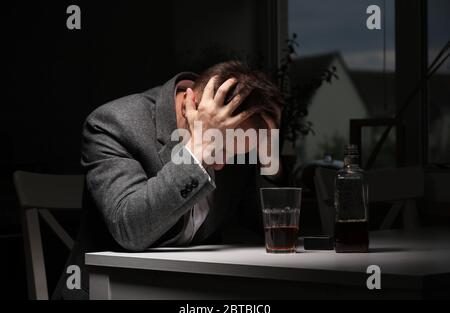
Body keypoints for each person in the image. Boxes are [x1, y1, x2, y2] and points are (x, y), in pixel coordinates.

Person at [53, 61, 284, 300]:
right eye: (219, 147)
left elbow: (266, 223)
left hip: (191, 292)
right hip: (113, 290)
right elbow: (130, 228)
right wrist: (197, 151)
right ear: (190, 105)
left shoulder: (237, 137)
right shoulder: (113, 123)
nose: (222, 164)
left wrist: (271, 155)